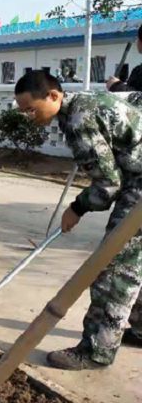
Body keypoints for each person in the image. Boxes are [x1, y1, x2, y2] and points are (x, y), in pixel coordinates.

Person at [14, 70, 142, 370]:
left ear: (54, 96)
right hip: (136, 176)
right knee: (134, 260)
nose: (29, 116)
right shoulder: (88, 101)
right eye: (23, 112)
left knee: (113, 268)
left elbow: (107, 187)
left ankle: (96, 351)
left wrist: (77, 208)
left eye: (31, 109)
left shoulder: (78, 120)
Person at [106, 25, 142, 93]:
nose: (137, 41)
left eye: (138, 38)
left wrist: (116, 86)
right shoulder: (138, 70)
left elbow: (138, 99)